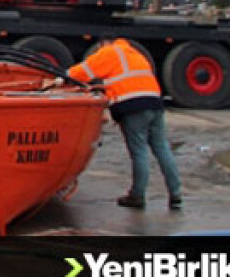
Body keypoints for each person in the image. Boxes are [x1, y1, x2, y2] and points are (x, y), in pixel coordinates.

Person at [68, 38, 182, 209]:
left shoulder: (109, 52)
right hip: (154, 102)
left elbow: (81, 72)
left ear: (103, 44)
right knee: (162, 148)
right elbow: (129, 80)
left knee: (139, 152)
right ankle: (176, 194)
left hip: (133, 107)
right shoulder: (135, 54)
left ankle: (137, 195)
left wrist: (60, 75)